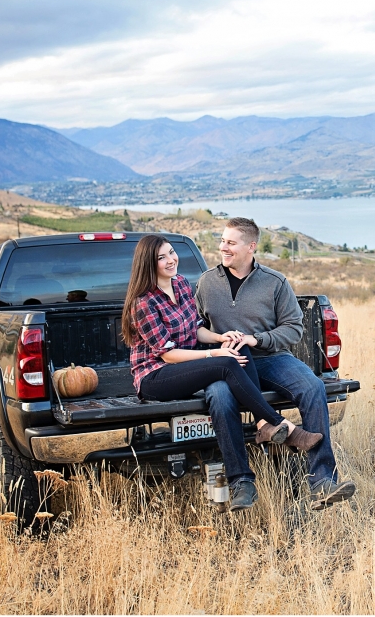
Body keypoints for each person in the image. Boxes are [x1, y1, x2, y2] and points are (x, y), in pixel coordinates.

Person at [122, 234, 323, 511]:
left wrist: (221, 339)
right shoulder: (143, 302)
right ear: (149, 263)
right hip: (155, 376)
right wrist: (214, 353)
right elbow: (167, 354)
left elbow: (195, 329)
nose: (170, 260)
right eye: (161, 258)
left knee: (237, 346)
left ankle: (265, 429)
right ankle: (277, 424)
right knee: (226, 361)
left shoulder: (180, 284)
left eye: (171, 253)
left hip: (185, 366)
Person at [195, 217, 357, 511]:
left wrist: (258, 339)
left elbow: (294, 328)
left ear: (251, 247)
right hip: (226, 365)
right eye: (222, 241)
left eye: (230, 243)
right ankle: (241, 482)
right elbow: (194, 328)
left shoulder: (275, 282)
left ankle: (322, 481)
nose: (223, 248)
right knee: (219, 397)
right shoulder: (207, 282)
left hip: (271, 359)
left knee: (312, 386)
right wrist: (217, 350)